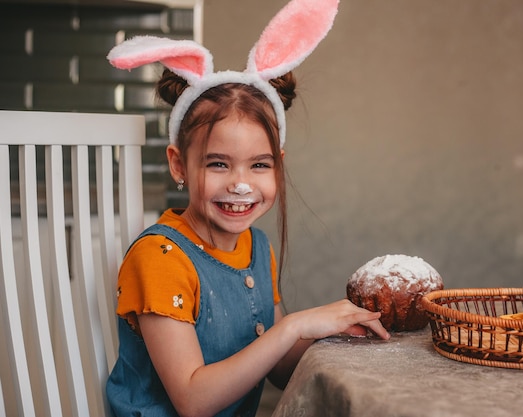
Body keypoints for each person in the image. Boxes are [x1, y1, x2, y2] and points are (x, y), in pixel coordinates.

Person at [105, 1, 390, 416]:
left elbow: (276, 369)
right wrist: (294, 325)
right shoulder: (160, 259)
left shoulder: (255, 247)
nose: (241, 184)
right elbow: (192, 399)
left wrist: (331, 332)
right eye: (218, 163)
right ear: (178, 164)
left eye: (260, 165)